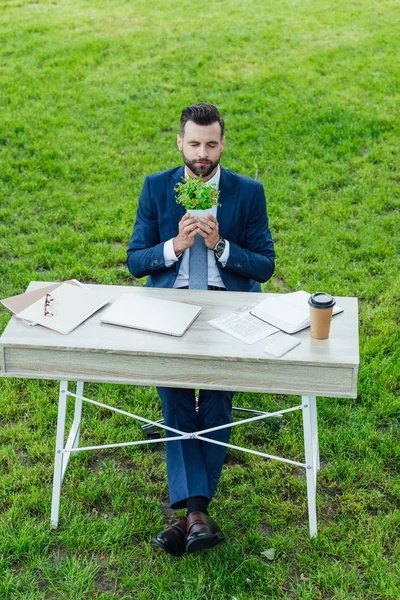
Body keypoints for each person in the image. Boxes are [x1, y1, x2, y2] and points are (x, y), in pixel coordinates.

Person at [127, 103, 275, 556]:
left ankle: (188, 515)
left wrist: (221, 246)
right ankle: (197, 515)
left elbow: (265, 266)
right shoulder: (157, 188)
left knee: (216, 396)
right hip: (170, 304)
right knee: (174, 395)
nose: (202, 154)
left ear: (222, 143)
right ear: (180, 142)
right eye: (194, 144)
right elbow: (136, 261)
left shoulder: (247, 193)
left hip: (228, 308)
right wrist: (174, 245)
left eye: (211, 144)